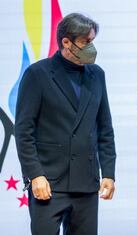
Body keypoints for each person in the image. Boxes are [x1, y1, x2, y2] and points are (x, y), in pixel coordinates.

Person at [15, 13, 116, 235]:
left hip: (87, 183)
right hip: (48, 183)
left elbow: (105, 129)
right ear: (66, 43)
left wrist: (108, 173)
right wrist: (35, 175)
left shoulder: (97, 75)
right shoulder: (37, 74)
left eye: (92, 41)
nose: (91, 47)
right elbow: (23, 131)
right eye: (86, 42)